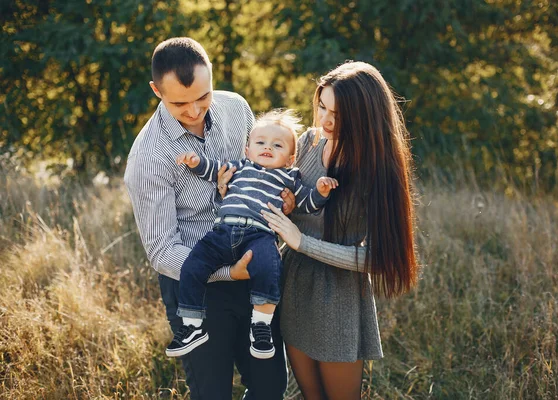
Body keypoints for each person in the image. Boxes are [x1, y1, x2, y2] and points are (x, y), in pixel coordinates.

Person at [124, 37, 287, 400]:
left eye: (203, 96)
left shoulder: (237, 109)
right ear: (156, 90)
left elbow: (262, 169)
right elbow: (163, 251)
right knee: (212, 393)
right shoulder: (148, 157)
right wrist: (229, 273)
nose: (195, 110)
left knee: (270, 387)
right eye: (180, 103)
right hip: (195, 285)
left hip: (253, 271)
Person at [259, 61, 419, 399]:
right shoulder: (306, 142)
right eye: (322, 106)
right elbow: (277, 192)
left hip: (339, 299)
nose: (326, 120)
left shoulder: (379, 168)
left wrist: (302, 242)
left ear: (364, 115)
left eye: (339, 114)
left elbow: (379, 258)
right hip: (292, 287)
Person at [166, 110, 338, 360]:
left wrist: (321, 191)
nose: (267, 147)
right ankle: (192, 325)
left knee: (270, 267)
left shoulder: (290, 178)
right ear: (247, 150)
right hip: (223, 232)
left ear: (291, 159)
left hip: (260, 235)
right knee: (193, 264)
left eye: (277, 145)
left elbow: (308, 203)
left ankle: (261, 325)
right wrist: (196, 162)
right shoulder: (240, 167)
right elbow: (213, 169)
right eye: (260, 143)